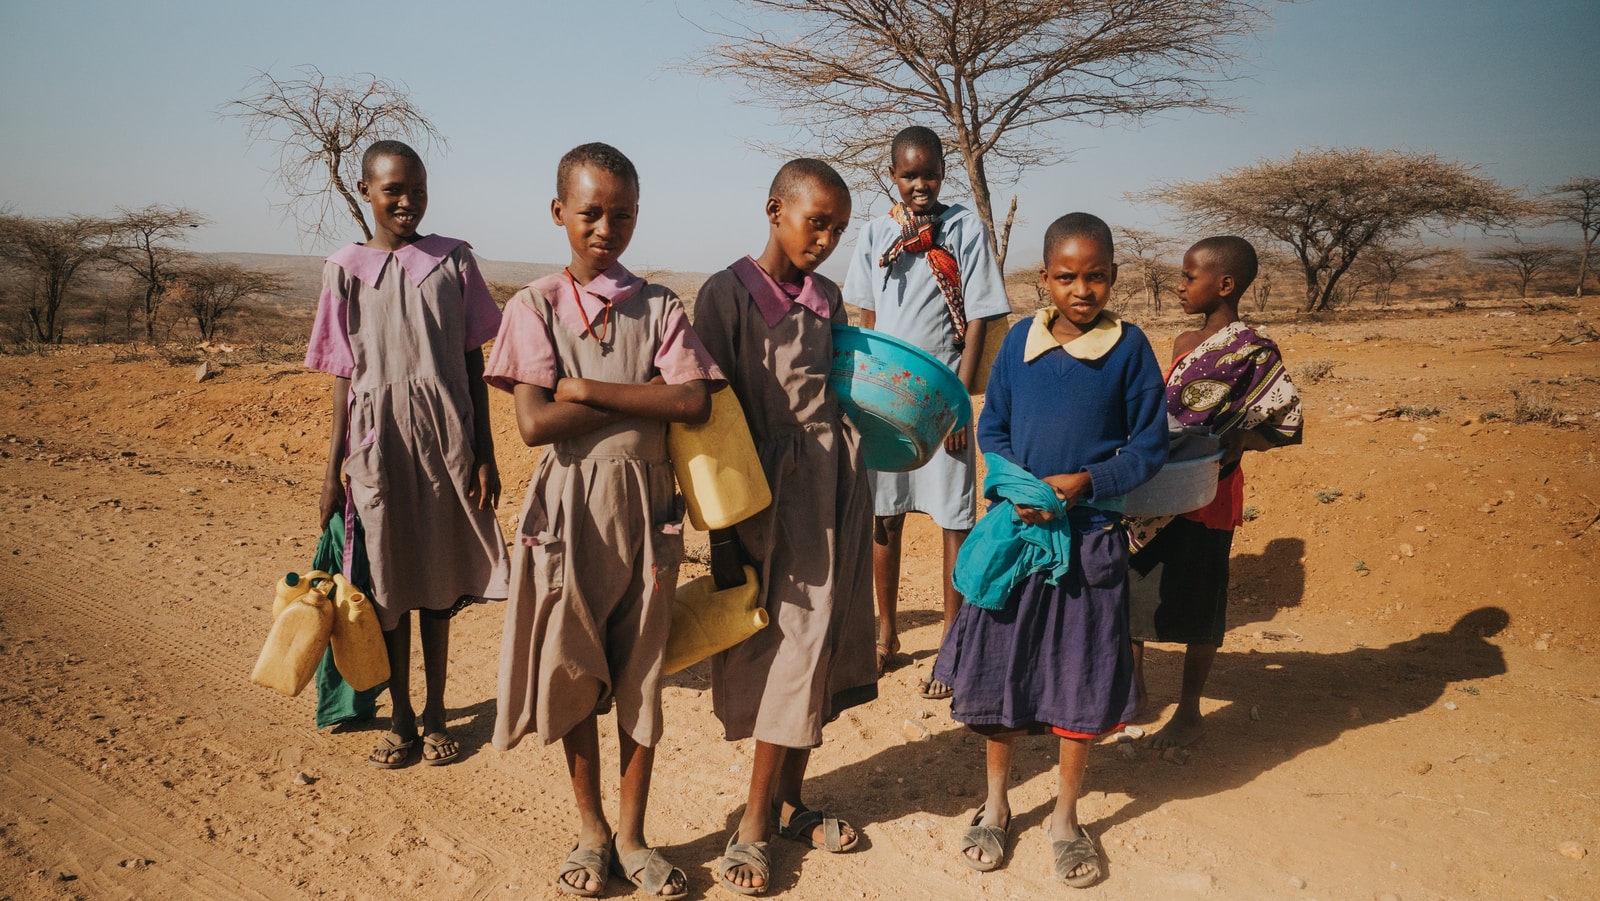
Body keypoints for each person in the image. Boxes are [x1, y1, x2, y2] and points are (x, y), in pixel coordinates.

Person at [486, 143, 722, 899]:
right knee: (575, 669)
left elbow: (692, 401)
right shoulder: (533, 307)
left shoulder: (660, 306)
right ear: (559, 212)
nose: (605, 227)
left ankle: (632, 834)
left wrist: (582, 388)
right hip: (567, 515)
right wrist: (629, 389)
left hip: (649, 515)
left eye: (622, 214)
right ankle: (590, 829)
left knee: (641, 676)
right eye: (589, 212)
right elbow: (532, 423)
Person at [933, 213, 1166, 888]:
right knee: (1001, 673)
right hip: (1019, 535)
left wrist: (1085, 483)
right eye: (1067, 276)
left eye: (1096, 275)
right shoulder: (1018, 345)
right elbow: (994, 426)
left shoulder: (1128, 348)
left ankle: (1066, 815)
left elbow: (1148, 446)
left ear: (1114, 277)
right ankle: (998, 802)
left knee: (1079, 677)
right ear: (1045, 278)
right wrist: (1018, 487)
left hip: (1090, 539)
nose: (1082, 289)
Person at [692, 159, 877, 896]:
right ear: (775, 209)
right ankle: (754, 824)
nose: (827, 238)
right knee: (786, 650)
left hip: (835, 491)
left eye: (838, 226)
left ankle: (789, 804)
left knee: (821, 641)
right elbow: (707, 418)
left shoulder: (828, 297)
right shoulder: (724, 295)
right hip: (763, 499)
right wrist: (723, 531)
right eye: (816, 221)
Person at [305, 140, 511, 770]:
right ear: (365, 190)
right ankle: (400, 717)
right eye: (393, 190)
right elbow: (343, 375)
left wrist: (485, 451)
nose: (407, 202)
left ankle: (438, 713)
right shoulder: (343, 269)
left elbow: (473, 363)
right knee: (390, 582)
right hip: (376, 445)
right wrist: (330, 469)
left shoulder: (453, 262)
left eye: (418, 190)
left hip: (445, 436)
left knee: (438, 580)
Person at [841, 125, 1012, 697]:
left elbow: (982, 317)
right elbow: (864, 317)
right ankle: (885, 634)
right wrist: (865, 399)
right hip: (887, 400)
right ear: (893, 176)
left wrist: (960, 408)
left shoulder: (963, 228)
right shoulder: (874, 233)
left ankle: (952, 642)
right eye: (908, 175)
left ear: (943, 170)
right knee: (883, 517)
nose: (920, 184)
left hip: (945, 400)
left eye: (930, 173)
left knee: (953, 521)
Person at [1128, 236, 1304, 749]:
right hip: (1156, 487)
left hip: (1211, 491)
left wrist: (1240, 440)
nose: (1179, 285)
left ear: (1224, 284)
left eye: (1189, 276)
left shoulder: (1254, 350)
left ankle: (1188, 711)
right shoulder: (1184, 342)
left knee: (1202, 604)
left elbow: (1287, 424)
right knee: (1133, 590)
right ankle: (1133, 691)